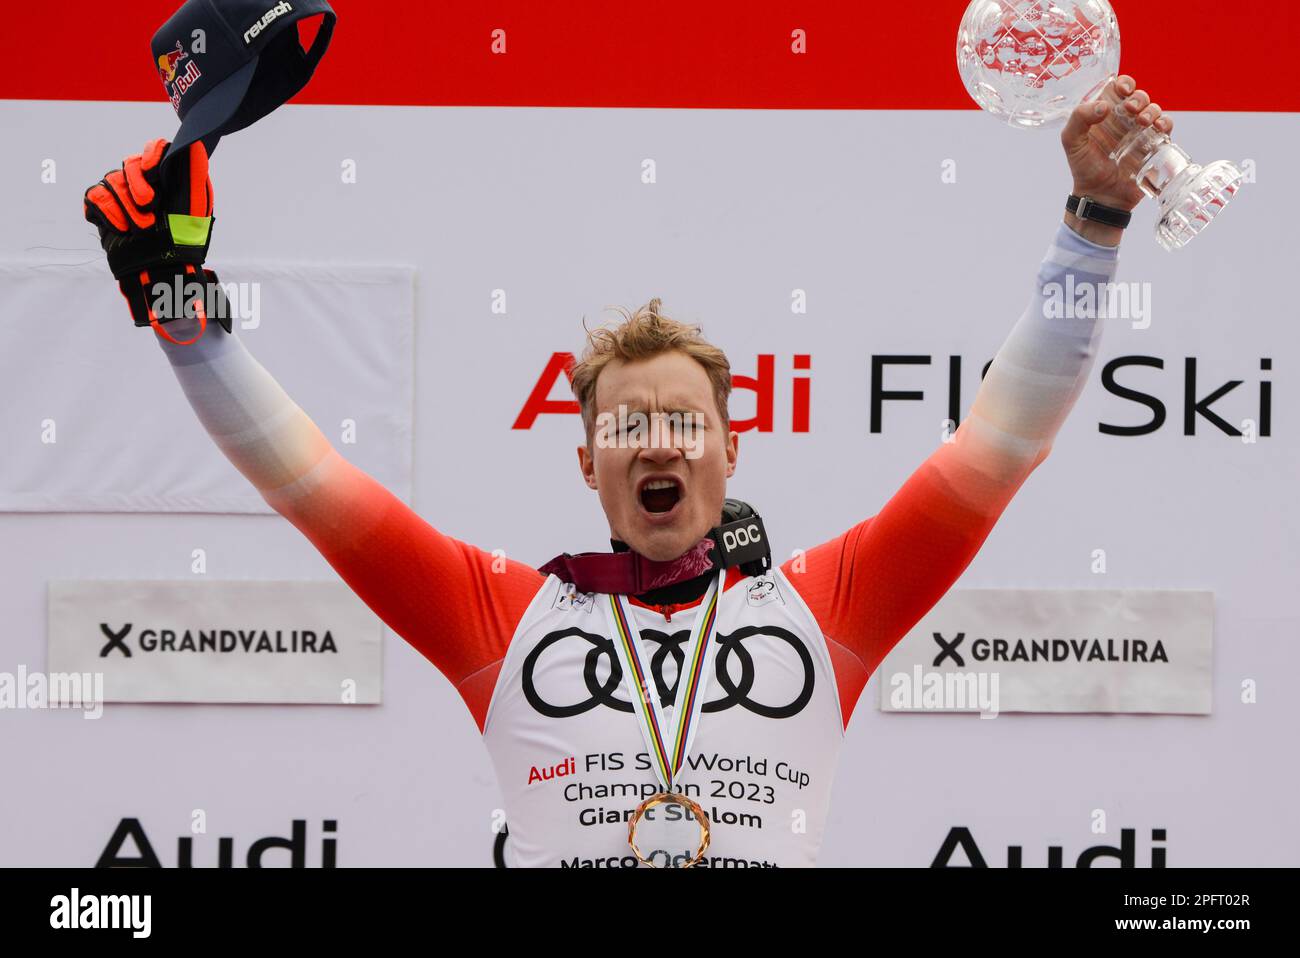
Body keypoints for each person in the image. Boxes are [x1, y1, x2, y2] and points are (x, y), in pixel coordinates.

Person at [83, 77, 1172, 868]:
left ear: (731, 450)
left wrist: (1095, 223)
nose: (657, 442)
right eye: (629, 425)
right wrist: (183, 313)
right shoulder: (500, 617)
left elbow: (1001, 443)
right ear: (586, 461)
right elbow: (306, 482)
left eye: (683, 423)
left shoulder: (824, 606)